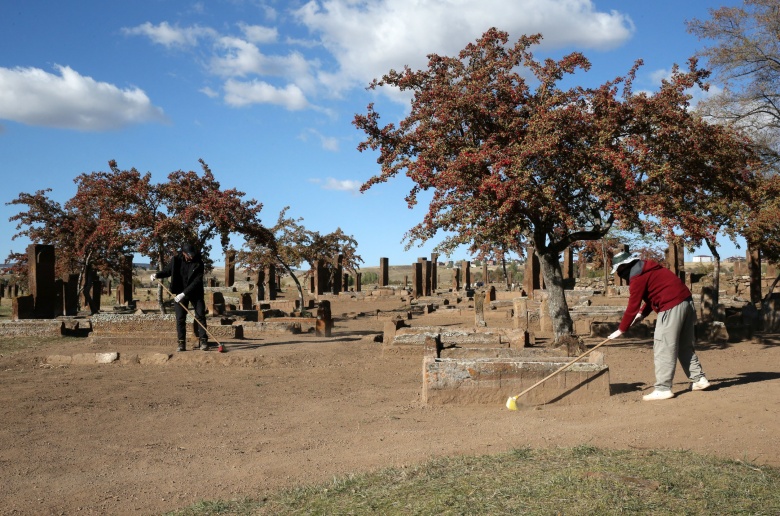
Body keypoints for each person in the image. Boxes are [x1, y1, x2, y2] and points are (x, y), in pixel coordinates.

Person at [608, 250, 711, 401]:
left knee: (663, 345)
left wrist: (621, 329)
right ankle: (699, 379)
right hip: (686, 302)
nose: (619, 274)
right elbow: (654, 294)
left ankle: (663, 388)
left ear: (625, 266)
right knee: (684, 344)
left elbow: (633, 305)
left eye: (619, 270)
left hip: (671, 306)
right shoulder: (648, 268)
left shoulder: (637, 276)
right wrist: (642, 314)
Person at [151, 243, 209, 352]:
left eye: (192, 254)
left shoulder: (199, 263)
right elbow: (168, 271)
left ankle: (204, 341)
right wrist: (157, 275)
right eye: (189, 254)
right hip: (178, 292)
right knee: (180, 318)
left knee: (200, 315)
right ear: (183, 253)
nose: (191, 256)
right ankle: (181, 343)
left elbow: (197, 281)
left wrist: (184, 293)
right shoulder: (176, 260)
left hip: (195, 292)